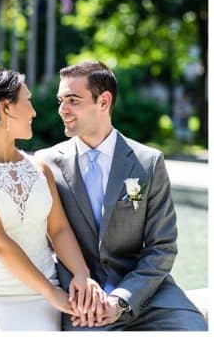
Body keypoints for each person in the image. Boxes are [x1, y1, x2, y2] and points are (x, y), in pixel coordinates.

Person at [37, 61, 206, 331]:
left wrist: (121, 300)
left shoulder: (148, 162)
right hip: (83, 301)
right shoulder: (46, 164)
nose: (62, 110)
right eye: (61, 100)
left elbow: (162, 247)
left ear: (103, 101)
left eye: (73, 100)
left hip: (150, 297)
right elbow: (45, 242)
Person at [0, 68, 104, 331]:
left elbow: (59, 229)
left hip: (42, 295)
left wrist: (81, 274)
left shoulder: (39, 167)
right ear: (5, 107)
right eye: (27, 101)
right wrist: (50, 293)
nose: (33, 111)